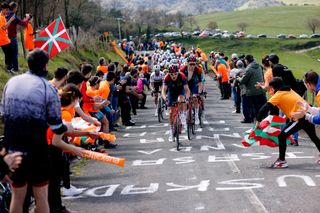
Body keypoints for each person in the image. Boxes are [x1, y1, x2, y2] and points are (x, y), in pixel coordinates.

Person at [0, 48, 68, 213]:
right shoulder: (47, 88)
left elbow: (3, 114)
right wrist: (67, 128)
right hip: (37, 149)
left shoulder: (11, 82)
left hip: (13, 150)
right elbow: (56, 125)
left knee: (17, 196)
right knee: (41, 196)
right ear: (45, 66)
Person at [256, 77, 320, 168]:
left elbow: (264, 108)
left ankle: (282, 161)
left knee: (282, 136)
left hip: (299, 118)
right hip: (306, 114)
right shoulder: (290, 90)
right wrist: (286, 115)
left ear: (273, 88)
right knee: (314, 137)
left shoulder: (278, 95)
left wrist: (258, 121)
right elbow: (291, 103)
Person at [162, 64, 190, 142]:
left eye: (175, 74)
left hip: (180, 90)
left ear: (178, 73)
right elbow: (163, 91)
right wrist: (165, 98)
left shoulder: (182, 76)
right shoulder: (166, 77)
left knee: (181, 99)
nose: (173, 76)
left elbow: (187, 90)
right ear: (169, 74)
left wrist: (187, 98)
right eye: (171, 74)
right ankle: (171, 131)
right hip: (171, 92)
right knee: (171, 112)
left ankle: (182, 115)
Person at [239, 55, 266, 123]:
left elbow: (243, 81)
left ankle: (255, 121)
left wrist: (238, 78)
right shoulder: (259, 67)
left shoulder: (249, 69)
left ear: (246, 61)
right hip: (260, 89)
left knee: (252, 107)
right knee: (259, 107)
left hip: (252, 91)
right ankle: (260, 120)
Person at [6, 2, 31, 72]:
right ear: (14, 8)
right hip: (12, 37)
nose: (17, 9)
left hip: (6, 37)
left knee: (9, 53)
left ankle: (10, 68)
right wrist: (27, 18)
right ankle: (15, 68)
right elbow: (23, 24)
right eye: (16, 8)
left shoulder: (5, 14)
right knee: (15, 53)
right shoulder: (13, 16)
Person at [180, 55, 203, 125]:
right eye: (191, 64)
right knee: (182, 99)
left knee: (195, 98)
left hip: (193, 84)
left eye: (194, 64)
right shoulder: (182, 70)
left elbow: (200, 82)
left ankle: (196, 115)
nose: (192, 66)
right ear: (187, 63)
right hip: (184, 84)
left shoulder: (198, 70)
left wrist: (199, 93)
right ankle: (183, 114)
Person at [0, 2, 15, 72]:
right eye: (6, 10)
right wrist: (10, 20)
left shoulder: (3, 17)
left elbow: (5, 27)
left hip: (5, 38)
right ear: (2, 9)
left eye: (8, 10)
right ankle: (8, 68)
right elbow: (3, 27)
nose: (7, 11)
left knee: (9, 53)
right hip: (2, 39)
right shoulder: (0, 17)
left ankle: (8, 68)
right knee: (10, 53)